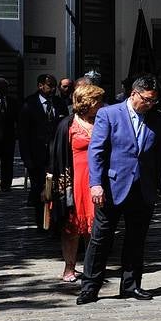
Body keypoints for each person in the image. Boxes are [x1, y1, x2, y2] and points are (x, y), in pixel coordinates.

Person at [77, 75, 161, 304]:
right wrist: (95, 184)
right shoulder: (109, 114)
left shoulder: (157, 118)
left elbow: (160, 155)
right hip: (112, 186)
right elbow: (96, 151)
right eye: (147, 100)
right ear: (134, 94)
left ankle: (131, 285)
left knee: (136, 239)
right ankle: (90, 286)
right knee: (101, 239)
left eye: (154, 101)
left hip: (142, 188)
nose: (150, 104)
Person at [47, 81, 107, 283]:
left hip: (97, 181)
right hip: (73, 181)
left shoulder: (102, 121)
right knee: (71, 228)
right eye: (97, 101)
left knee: (95, 228)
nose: (101, 104)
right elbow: (55, 156)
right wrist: (50, 184)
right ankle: (69, 268)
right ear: (87, 102)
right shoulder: (67, 124)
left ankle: (92, 269)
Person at [19, 74, 68, 221]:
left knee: (56, 189)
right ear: (40, 86)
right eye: (49, 85)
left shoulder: (59, 103)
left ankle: (55, 221)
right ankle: (42, 221)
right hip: (37, 156)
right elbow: (23, 134)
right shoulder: (29, 104)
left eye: (54, 86)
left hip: (56, 155)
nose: (53, 89)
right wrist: (27, 159)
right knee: (40, 189)